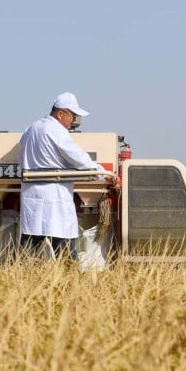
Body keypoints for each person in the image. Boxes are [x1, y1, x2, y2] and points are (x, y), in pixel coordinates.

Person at [19, 92, 116, 258]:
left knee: (29, 244)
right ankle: (71, 277)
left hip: (32, 193)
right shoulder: (56, 130)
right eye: (73, 115)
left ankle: (19, 276)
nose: (74, 121)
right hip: (54, 196)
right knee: (64, 244)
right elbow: (78, 157)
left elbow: (22, 160)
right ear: (60, 113)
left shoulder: (31, 128)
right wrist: (103, 173)